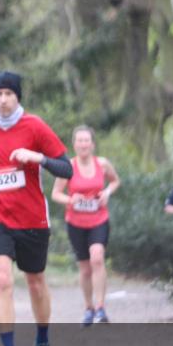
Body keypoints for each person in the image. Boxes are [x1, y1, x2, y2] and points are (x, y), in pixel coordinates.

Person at [0, 71, 72, 346]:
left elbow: (67, 168)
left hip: (32, 218)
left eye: (8, 94)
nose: (2, 99)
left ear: (18, 97)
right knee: (2, 279)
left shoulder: (35, 126)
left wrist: (36, 157)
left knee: (35, 282)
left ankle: (42, 342)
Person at [51, 126, 120, 326]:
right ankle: (88, 308)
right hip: (76, 222)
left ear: (92, 144)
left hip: (99, 219)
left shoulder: (103, 164)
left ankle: (100, 308)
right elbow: (56, 193)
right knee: (85, 269)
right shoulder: (67, 167)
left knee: (97, 258)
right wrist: (71, 200)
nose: (83, 144)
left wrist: (106, 193)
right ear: (74, 144)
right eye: (79, 141)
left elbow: (115, 181)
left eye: (86, 140)